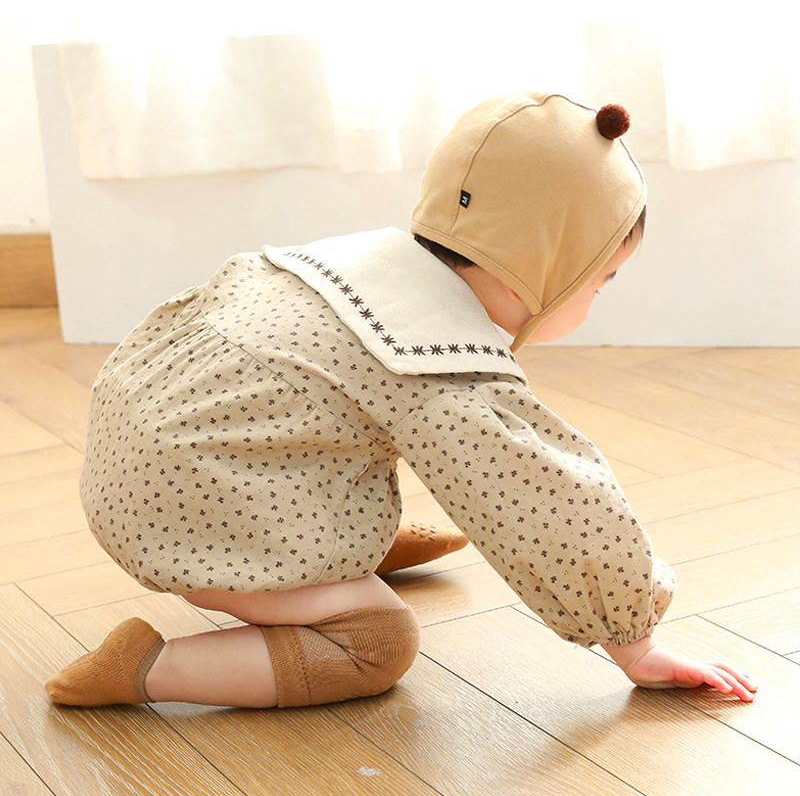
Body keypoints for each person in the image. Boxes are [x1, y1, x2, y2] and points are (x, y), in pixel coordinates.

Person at [46, 92, 757, 709]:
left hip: (128, 467)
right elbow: (546, 499)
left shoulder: (346, 266)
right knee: (378, 645)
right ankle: (147, 668)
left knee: (317, 411)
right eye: (599, 280)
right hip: (191, 522)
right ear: (538, 272)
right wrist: (634, 638)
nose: (598, 297)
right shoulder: (436, 370)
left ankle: (351, 543)